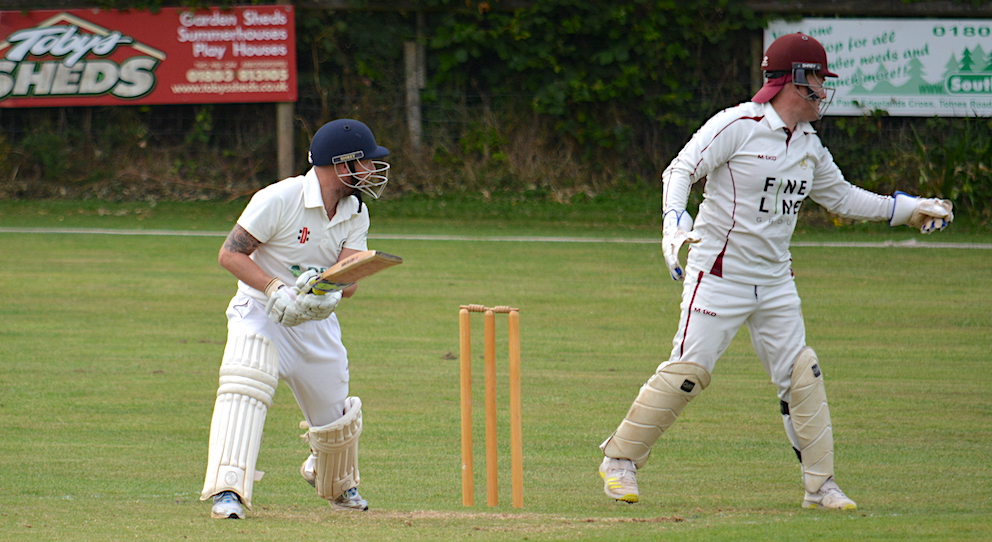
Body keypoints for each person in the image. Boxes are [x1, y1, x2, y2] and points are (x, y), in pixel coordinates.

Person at [597, 33, 953, 510]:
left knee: (802, 374)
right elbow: (680, 170)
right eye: (818, 81)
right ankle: (619, 461)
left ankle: (820, 487)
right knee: (688, 372)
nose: (824, 92)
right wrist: (673, 221)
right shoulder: (738, 125)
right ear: (794, 81)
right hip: (718, 275)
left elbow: (842, 197)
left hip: (776, 281)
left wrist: (905, 209)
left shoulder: (807, 145)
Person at [200, 118, 392, 519]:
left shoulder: (355, 211)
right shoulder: (280, 198)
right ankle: (228, 490)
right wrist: (274, 288)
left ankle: (335, 481)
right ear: (343, 165)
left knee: (334, 414)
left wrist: (326, 292)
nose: (374, 170)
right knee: (245, 385)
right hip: (261, 312)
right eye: (368, 162)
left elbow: (349, 276)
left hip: (313, 321)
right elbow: (230, 254)